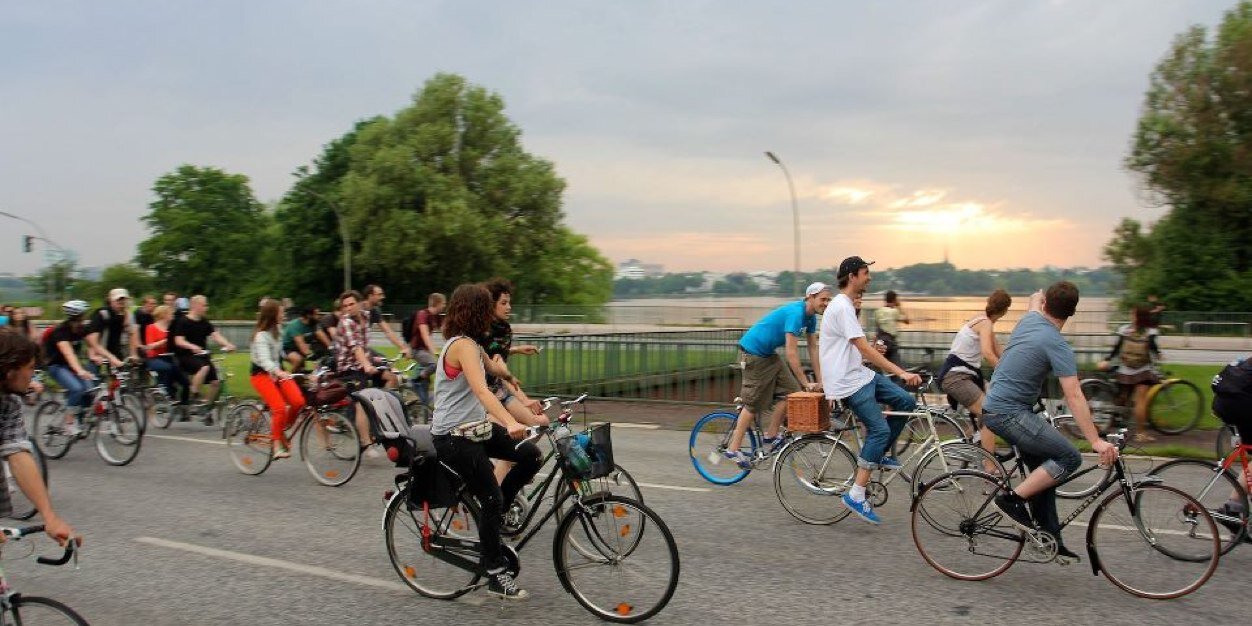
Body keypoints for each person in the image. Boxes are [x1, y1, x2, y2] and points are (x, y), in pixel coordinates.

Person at [985, 282, 1119, 560]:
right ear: (1071, 313)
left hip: (1001, 407)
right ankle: (1010, 501)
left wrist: (1037, 296)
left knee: (1044, 474)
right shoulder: (1057, 345)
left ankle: (1049, 538)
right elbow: (1074, 394)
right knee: (1069, 457)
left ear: (1045, 304)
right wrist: (1094, 440)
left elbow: (1033, 301)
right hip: (1008, 413)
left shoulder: (1030, 319)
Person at [430, 283, 540, 600]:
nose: (492, 313)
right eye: (487, 307)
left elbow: (493, 368)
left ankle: (498, 513)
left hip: (474, 429)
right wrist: (509, 421)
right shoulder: (462, 346)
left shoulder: (472, 345)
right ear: (477, 311)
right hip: (452, 436)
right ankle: (493, 572)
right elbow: (481, 390)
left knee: (531, 455)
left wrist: (510, 375)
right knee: (490, 498)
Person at [821, 257, 922, 524]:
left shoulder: (847, 307)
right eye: (866, 273)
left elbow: (854, 350)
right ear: (853, 276)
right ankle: (856, 494)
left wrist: (868, 357)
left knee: (905, 401)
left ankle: (879, 454)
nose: (870, 277)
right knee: (879, 430)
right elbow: (862, 347)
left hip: (861, 375)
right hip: (848, 383)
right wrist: (900, 372)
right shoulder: (842, 306)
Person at [723, 282, 831, 466]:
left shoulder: (811, 318)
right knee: (753, 402)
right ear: (810, 298)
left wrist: (821, 381)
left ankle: (771, 435)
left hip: (768, 354)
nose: (826, 303)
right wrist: (806, 382)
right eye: (823, 299)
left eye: (829, 300)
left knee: (792, 392)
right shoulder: (796, 313)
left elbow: (813, 349)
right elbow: (791, 352)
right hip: (753, 353)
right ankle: (733, 449)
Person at [0, 327, 79, 546]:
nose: (32, 376)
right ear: (9, 370)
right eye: (30, 368)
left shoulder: (9, 401)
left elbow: (17, 453)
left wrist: (50, 517)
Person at [478, 278, 549, 482]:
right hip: (485, 397)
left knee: (541, 422)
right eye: (503, 303)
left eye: (509, 302)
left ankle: (512, 464)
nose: (509, 307)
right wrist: (525, 400)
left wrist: (517, 349)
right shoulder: (483, 331)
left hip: (500, 391)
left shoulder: (505, 329)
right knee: (513, 438)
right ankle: (498, 493)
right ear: (491, 305)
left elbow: (498, 354)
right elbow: (499, 365)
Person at [939, 289, 1013, 469]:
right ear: (1005, 311)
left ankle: (973, 442)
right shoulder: (985, 324)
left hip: (966, 376)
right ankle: (990, 471)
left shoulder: (984, 321)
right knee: (990, 415)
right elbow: (988, 353)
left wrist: (1015, 368)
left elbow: (1000, 352)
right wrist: (1005, 375)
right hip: (956, 377)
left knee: (991, 404)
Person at [250, 301, 306, 460]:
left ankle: (279, 429)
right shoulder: (260, 336)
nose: (284, 315)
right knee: (279, 408)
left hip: (277, 372)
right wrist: (279, 372)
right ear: (273, 315)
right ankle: (276, 447)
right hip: (261, 375)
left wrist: (293, 361)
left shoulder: (278, 330)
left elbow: (279, 353)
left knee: (298, 402)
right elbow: (265, 360)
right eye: (281, 313)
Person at [1098, 306, 1162, 443]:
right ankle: (1141, 434)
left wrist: (1107, 360)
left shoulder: (1124, 329)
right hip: (1143, 371)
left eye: (1132, 313)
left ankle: (1111, 425)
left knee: (1122, 399)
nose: (1131, 315)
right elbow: (1153, 349)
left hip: (1125, 371)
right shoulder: (1149, 331)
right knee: (1141, 402)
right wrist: (1159, 355)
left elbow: (1117, 348)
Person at [171, 295, 236, 412]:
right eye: (204, 305)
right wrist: (192, 346)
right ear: (195, 306)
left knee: (216, 382)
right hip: (186, 356)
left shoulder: (204, 322)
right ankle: (194, 393)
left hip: (202, 355)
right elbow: (178, 340)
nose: (206, 308)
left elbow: (216, 336)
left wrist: (227, 344)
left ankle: (206, 406)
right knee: (204, 368)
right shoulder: (183, 321)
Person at [43, 300, 96, 436]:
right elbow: (68, 353)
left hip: (71, 366)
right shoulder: (61, 331)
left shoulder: (82, 328)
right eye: (84, 314)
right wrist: (80, 371)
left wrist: (112, 359)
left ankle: (81, 418)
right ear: (77, 316)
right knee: (77, 389)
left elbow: (95, 345)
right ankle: (69, 423)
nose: (86, 316)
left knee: (90, 389)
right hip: (56, 366)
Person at [142, 305, 190, 406]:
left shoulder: (173, 328)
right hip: (154, 358)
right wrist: (165, 341)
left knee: (185, 381)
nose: (173, 315)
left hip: (170, 357)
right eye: (170, 313)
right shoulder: (151, 328)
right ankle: (168, 393)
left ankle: (184, 405)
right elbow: (150, 346)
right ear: (164, 315)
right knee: (168, 368)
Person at [84, 288, 139, 370]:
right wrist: (94, 355)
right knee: (92, 377)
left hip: (115, 351)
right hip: (98, 352)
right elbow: (91, 339)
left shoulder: (127, 315)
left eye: (124, 299)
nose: (121, 301)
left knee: (121, 377)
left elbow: (132, 334)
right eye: (118, 299)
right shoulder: (102, 314)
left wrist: (133, 354)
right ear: (111, 300)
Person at [360, 285, 411, 359]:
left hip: (362, 347)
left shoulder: (375, 311)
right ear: (370, 296)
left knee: (384, 361)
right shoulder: (358, 309)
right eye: (379, 295)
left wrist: (403, 347)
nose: (383, 297)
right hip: (352, 348)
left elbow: (388, 331)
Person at [409, 292, 446, 380]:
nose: (445, 306)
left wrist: (452, 343)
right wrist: (434, 351)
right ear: (437, 303)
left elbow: (444, 332)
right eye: (444, 303)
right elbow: (425, 334)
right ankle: (414, 381)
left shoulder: (436, 317)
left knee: (426, 377)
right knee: (434, 365)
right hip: (417, 349)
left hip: (425, 350)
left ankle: (418, 380)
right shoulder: (422, 314)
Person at [873, 290, 910, 368]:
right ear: (894, 300)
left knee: (879, 367)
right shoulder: (894, 312)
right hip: (891, 343)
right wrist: (899, 306)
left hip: (880, 343)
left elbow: (877, 330)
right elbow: (907, 321)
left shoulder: (878, 312)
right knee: (897, 370)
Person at [281, 305, 321, 372]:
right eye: (316, 314)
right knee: (298, 359)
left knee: (304, 370)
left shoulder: (313, 324)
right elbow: (303, 348)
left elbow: (320, 336)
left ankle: (301, 375)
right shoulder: (295, 325)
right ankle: (289, 377)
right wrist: (315, 358)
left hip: (298, 349)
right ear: (309, 315)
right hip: (286, 349)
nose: (319, 317)